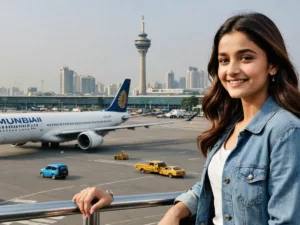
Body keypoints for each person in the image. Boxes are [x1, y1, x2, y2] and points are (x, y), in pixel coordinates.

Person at [72, 12, 300, 224]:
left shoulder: (285, 132)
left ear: (272, 65)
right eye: (224, 60)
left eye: (246, 58)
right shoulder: (231, 125)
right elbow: (217, 185)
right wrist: (176, 210)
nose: (232, 70)